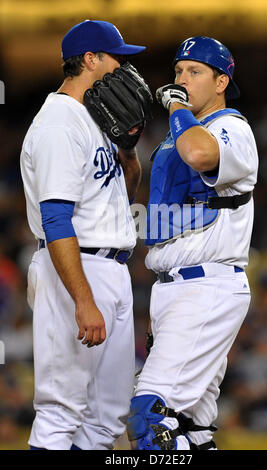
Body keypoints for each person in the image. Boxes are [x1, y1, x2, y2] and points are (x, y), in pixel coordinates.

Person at [20, 20, 148, 450]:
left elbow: (118, 199)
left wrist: (128, 150)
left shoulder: (94, 119)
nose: (123, 68)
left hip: (110, 265)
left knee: (108, 418)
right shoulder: (58, 124)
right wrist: (83, 299)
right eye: (117, 57)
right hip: (75, 266)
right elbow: (56, 218)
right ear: (90, 59)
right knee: (61, 411)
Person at [128, 36, 259, 450]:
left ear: (222, 81)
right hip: (174, 288)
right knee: (192, 428)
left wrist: (176, 106)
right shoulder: (176, 135)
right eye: (178, 71)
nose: (182, 80)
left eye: (194, 71)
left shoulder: (231, 127)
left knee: (148, 418)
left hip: (206, 287)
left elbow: (201, 155)